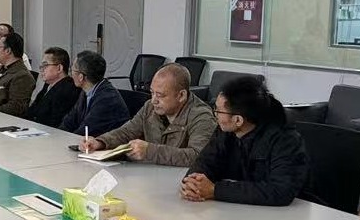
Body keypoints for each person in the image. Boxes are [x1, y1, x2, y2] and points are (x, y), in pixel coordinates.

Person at [181, 75, 308, 206]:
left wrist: (215, 190)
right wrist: (193, 183)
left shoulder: (285, 140)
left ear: (238, 120)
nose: (215, 115)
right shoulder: (225, 130)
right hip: (239, 208)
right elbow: (205, 161)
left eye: (218, 111)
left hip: (286, 213)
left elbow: (280, 191)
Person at [77, 63, 214, 166]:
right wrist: (100, 142)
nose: (154, 100)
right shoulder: (150, 107)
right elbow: (127, 132)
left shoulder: (201, 116)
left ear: (181, 95)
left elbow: (197, 156)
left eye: (160, 95)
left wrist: (150, 151)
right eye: (152, 92)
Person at [60, 50, 130, 136]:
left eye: (72, 70)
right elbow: (69, 121)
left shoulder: (107, 99)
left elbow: (86, 132)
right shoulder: (86, 91)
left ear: (81, 77)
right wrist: (58, 135)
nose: (70, 74)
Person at [25, 46, 81, 128]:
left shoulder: (68, 90)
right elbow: (32, 110)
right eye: (41, 66)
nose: (41, 69)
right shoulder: (48, 85)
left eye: (45, 65)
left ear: (59, 68)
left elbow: (54, 122)